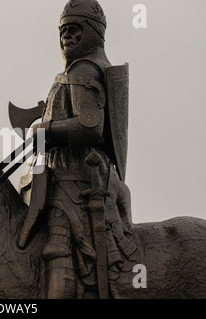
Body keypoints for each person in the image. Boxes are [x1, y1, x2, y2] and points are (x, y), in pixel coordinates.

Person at [19, 0, 136, 298]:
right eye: (62, 31)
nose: (66, 38)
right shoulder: (81, 70)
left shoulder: (83, 69)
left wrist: (46, 129)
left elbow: (90, 125)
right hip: (69, 174)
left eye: (74, 30)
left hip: (75, 181)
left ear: (93, 32)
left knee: (58, 249)